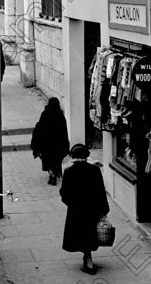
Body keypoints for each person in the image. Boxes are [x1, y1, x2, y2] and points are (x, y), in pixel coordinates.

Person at [60, 144, 109, 274]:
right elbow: (101, 191)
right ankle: (88, 259)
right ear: (86, 156)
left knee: (80, 234)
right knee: (90, 233)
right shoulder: (95, 170)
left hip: (76, 210)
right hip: (93, 208)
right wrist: (104, 210)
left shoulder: (69, 172)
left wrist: (72, 204)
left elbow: (64, 194)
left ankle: (88, 260)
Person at [30, 97, 70, 185]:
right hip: (57, 144)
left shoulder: (45, 114)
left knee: (47, 160)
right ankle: (55, 173)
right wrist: (65, 145)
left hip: (46, 144)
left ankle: (52, 174)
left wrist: (38, 143)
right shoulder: (60, 115)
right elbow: (64, 131)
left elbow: (40, 128)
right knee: (56, 160)